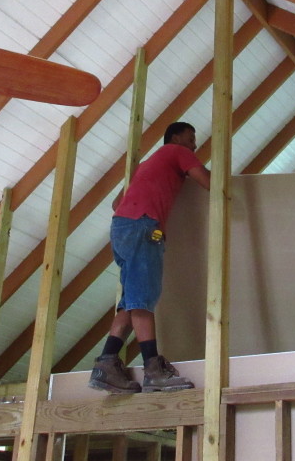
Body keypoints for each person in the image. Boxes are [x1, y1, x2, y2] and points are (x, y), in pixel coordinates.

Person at [88, 122, 211, 393]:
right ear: (176, 137)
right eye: (191, 139)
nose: (194, 145)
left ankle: (107, 363)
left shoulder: (147, 164)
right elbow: (209, 182)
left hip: (121, 228)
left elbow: (115, 204)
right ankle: (153, 370)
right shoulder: (176, 152)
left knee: (131, 301)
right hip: (144, 226)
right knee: (142, 300)